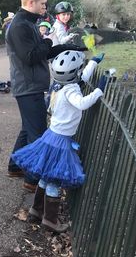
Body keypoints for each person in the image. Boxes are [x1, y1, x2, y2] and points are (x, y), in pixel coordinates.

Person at [12, 50, 107, 233]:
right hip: (61, 141)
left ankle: (36, 211)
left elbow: (81, 77)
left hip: (51, 137)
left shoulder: (60, 85)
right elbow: (82, 103)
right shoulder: (71, 90)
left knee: (45, 177)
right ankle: (50, 220)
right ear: (75, 72)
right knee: (54, 180)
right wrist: (98, 91)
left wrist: (93, 63)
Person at [5, 0, 86, 192]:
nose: (45, 7)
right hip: (27, 86)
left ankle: (15, 167)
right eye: (43, 3)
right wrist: (49, 42)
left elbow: (41, 52)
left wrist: (67, 47)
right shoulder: (19, 26)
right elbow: (30, 56)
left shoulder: (27, 23)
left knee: (27, 129)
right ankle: (32, 180)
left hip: (30, 85)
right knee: (38, 134)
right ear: (31, 2)